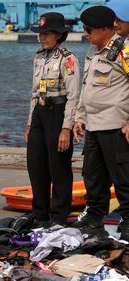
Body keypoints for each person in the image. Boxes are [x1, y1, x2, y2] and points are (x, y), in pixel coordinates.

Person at [72, 6, 129, 241]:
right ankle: (94, 217)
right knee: (93, 177)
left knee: (123, 178)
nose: (86, 33)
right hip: (94, 126)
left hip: (115, 125)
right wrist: (80, 117)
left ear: (106, 29)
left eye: (89, 29)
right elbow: (88, 88)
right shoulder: (93, 51)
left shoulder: (124, 51)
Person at [24, 12, 80, 227]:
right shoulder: (39, 57)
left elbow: (73, 96)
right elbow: (34, 92)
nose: (42, 37)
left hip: (58, 113)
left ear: (58, 35)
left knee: (59, 166)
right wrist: (30, 123)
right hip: (39, 113)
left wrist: (66, 128)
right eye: (40, 33)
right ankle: (39, 213)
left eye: (46, 34)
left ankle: (59, 215)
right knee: (35, 164)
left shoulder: (67, 59)